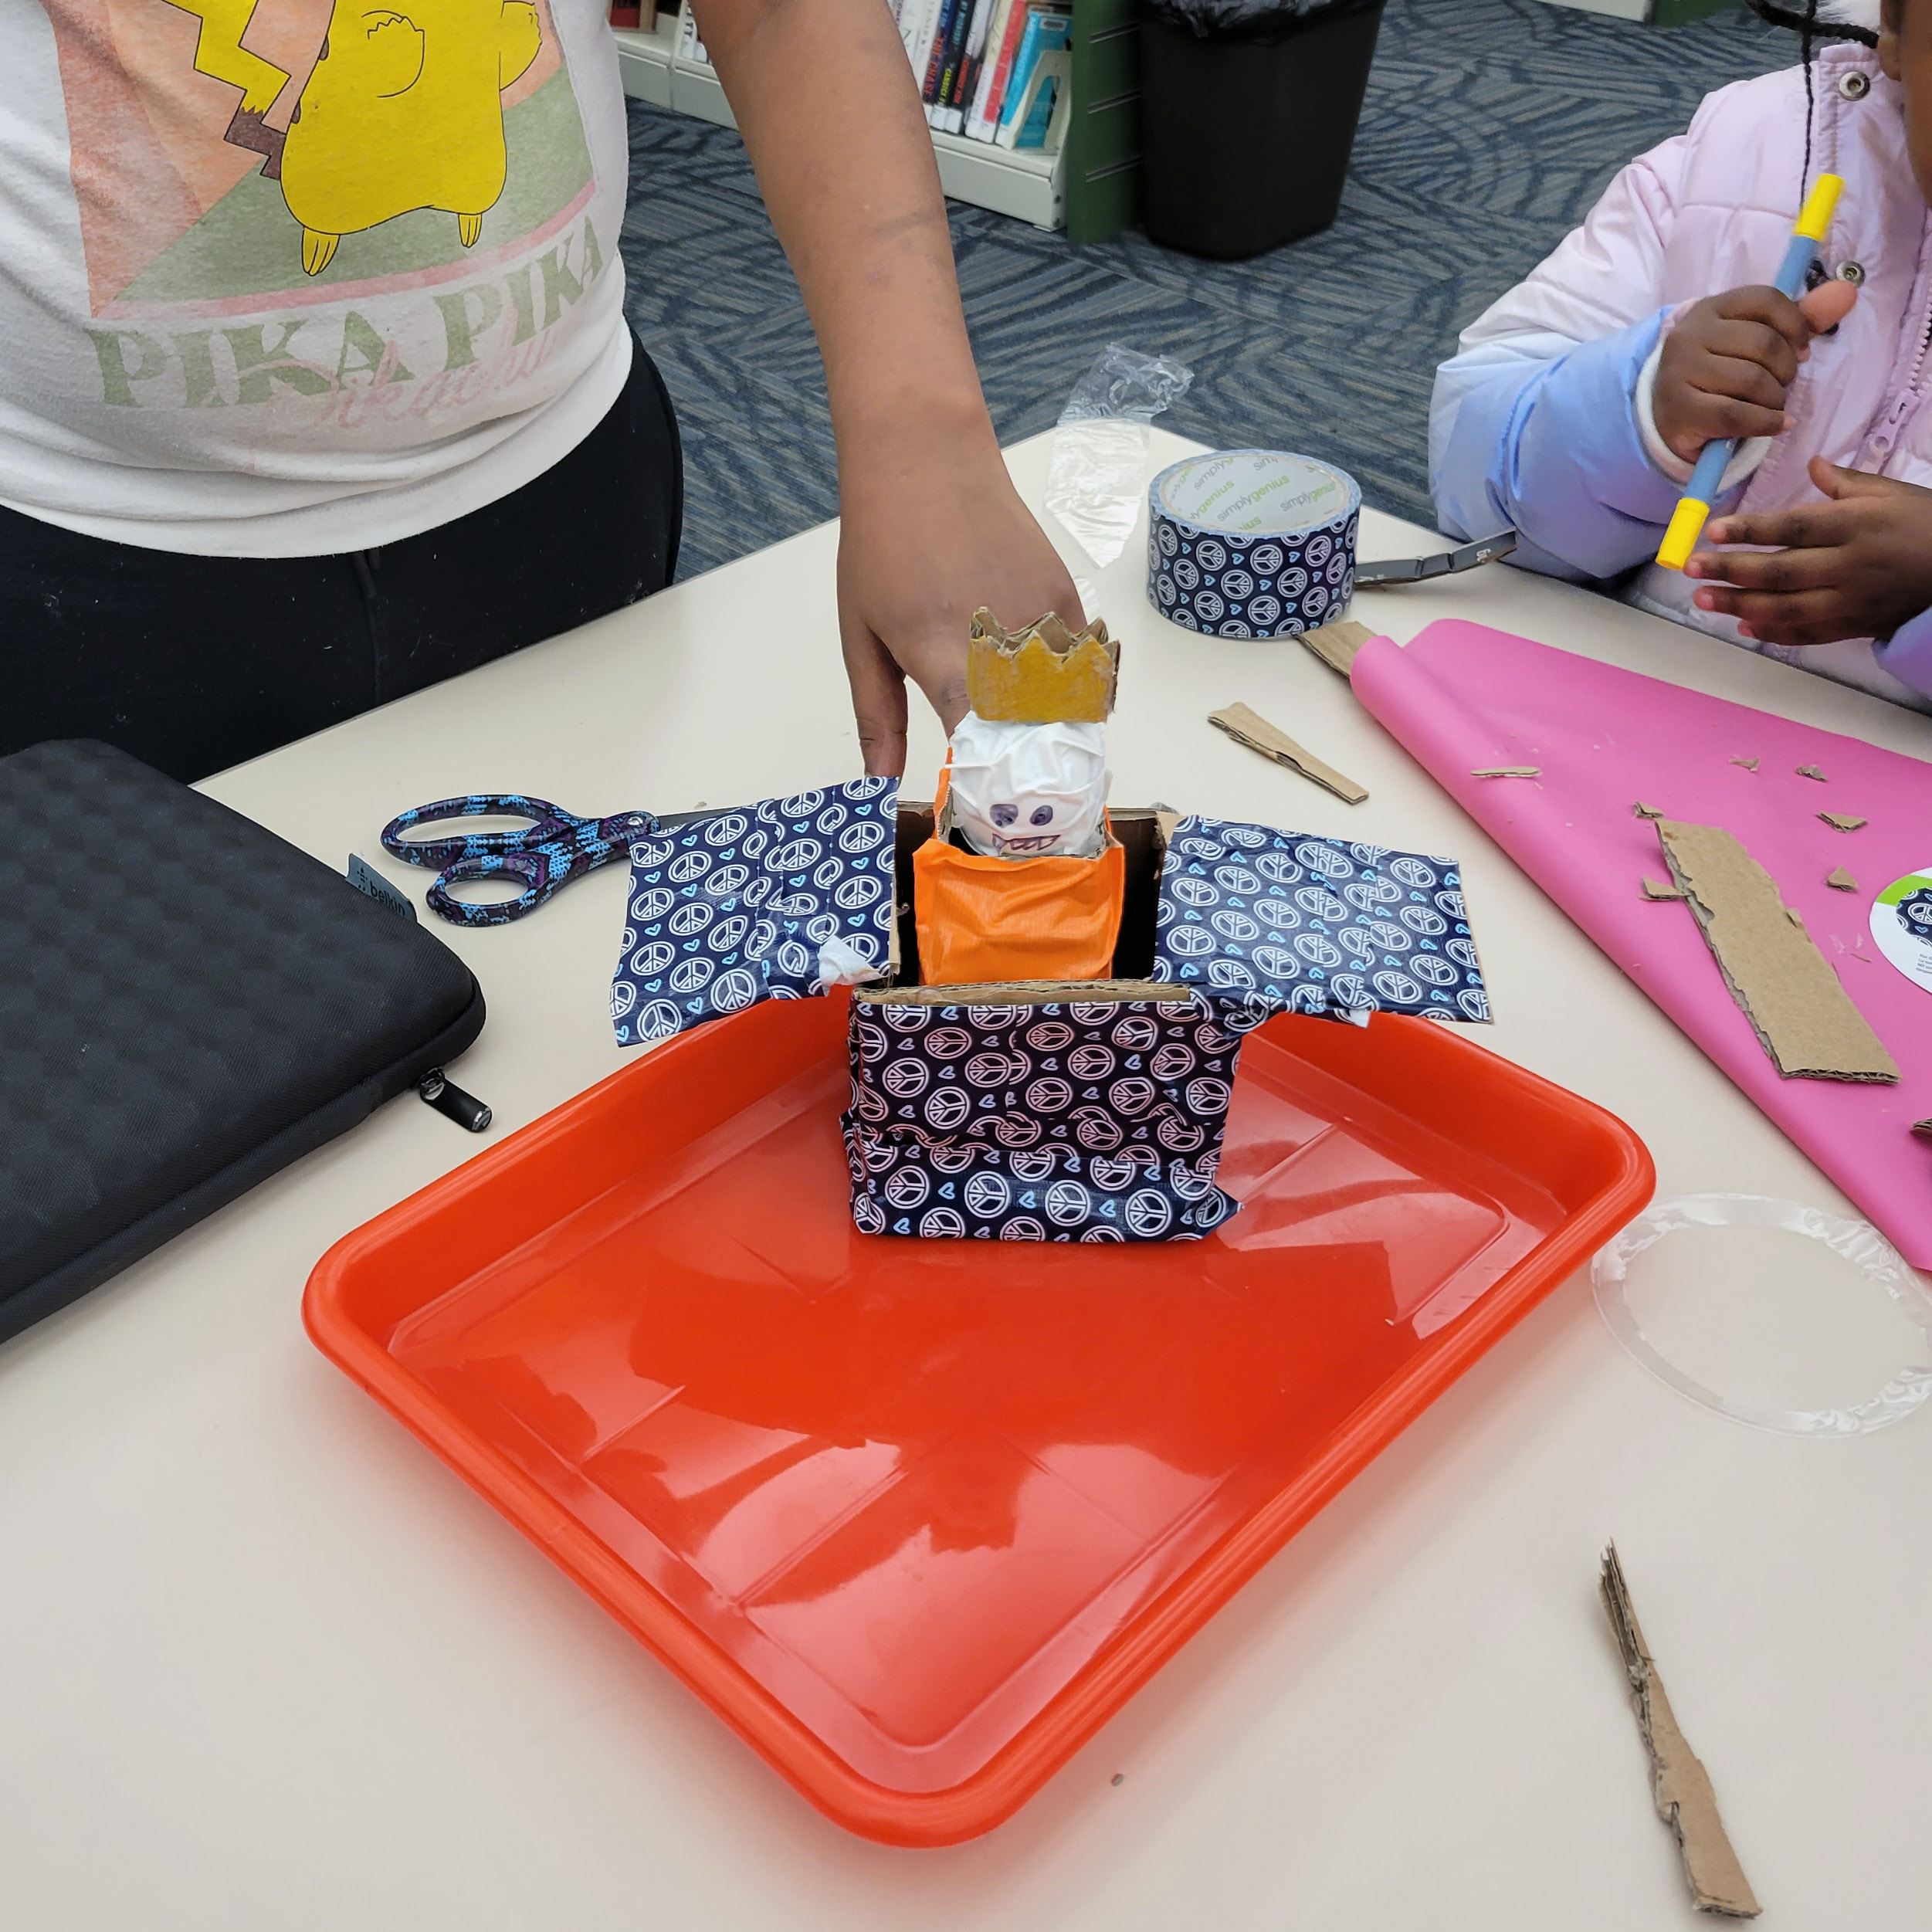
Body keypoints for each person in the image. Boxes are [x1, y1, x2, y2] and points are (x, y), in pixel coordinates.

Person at [0, 1, 1078, 781]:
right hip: (89, 546)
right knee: (164, 1034)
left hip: (561, 478)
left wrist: (924, 435)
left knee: (569, 995)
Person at [1429, 0, 1932, 713]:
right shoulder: (1741, 153)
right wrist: (1644, 411)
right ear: (1897, 25)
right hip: (1617, 705)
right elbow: (1474, 487)